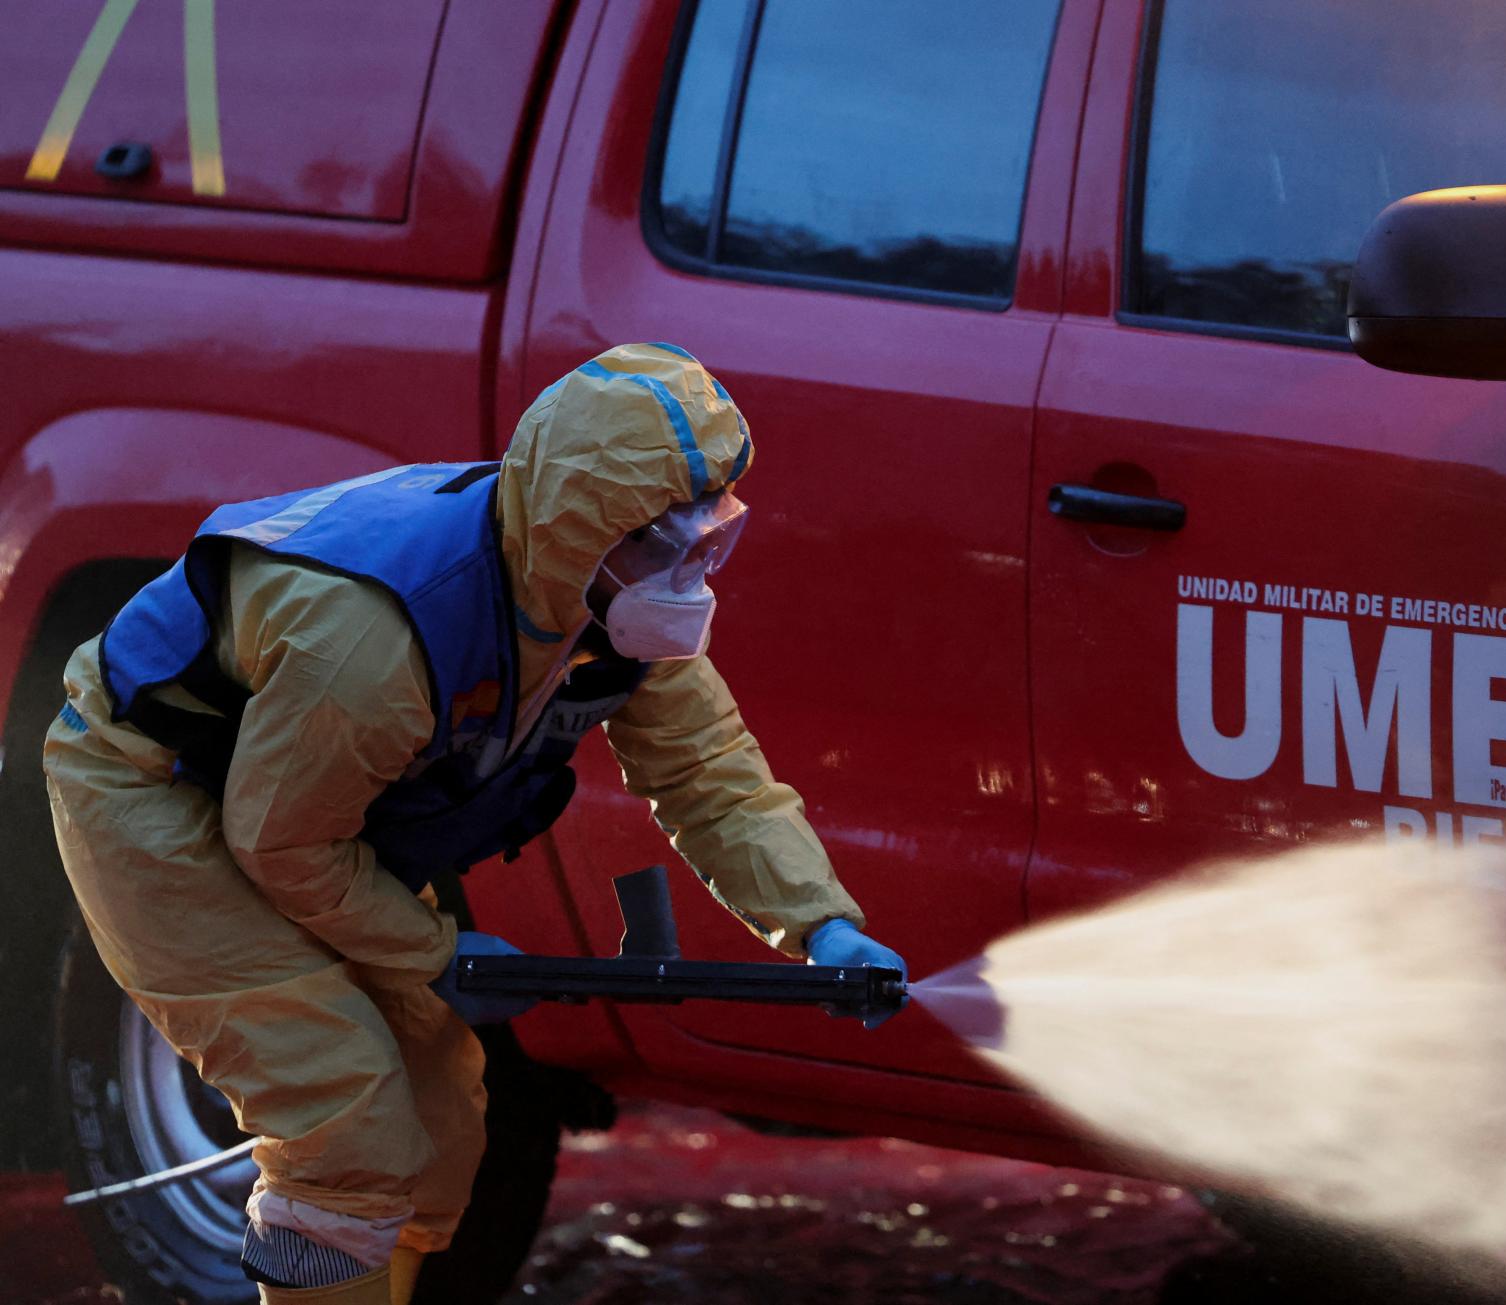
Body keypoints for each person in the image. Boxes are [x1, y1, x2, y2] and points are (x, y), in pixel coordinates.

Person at [42, 343, 906, 1304]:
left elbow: (712, 775)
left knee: (440, 1109)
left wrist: (823, 924)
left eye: (714, 536)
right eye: (669, 546)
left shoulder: (595, 601)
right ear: (587, 529)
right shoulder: (374, 640)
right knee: (342, 1107)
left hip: (296, 797)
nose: (694, 571)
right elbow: (280, 842)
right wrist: (432, 950)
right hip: (154, 785)